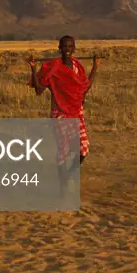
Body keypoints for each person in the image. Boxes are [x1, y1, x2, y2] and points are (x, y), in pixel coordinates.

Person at [28, 35, 99, 177]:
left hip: (76, 111)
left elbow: (84, 87)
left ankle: (69, 172)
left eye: (70, 46)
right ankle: (63, 185)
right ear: (59, 48)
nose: (67, 49)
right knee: (64, 150)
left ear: (74, 48)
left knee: (83, 149)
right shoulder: (52, 67)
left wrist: (95, 66)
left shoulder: (77, 67)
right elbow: (39, 90)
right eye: (64, 46)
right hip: (60, 113)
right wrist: (33, 69)